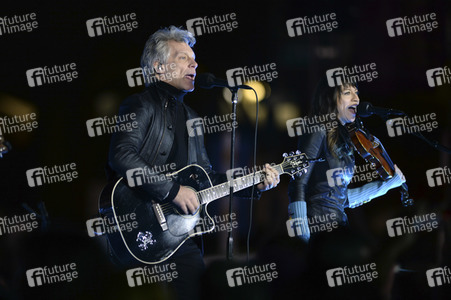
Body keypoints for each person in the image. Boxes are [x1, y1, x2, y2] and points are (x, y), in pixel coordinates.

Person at [107, 26, 280, 299]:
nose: (194, 63)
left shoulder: (192, 118)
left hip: (181, 238)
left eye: (194, 58)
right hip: (143, 228)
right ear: (159, 67)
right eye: (183, 57)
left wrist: (254, 184)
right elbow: (122, 155)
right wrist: (172, 191)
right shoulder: (139, 105)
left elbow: (206, 180)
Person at [288, 77, 406, 242]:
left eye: (356, 93)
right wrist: (302, 237)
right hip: (317, 231)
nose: (356, 99)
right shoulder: (317, 129)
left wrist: (385, 186)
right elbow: (297, 184)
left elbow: (340, 199)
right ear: (330, 98)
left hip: (339, 227)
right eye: (347, 93)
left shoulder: (344, 140)